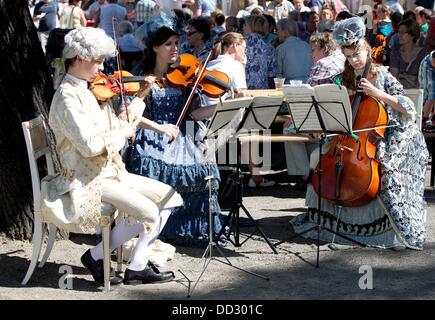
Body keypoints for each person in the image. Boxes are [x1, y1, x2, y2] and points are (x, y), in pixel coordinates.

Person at [43, 27, 183, 285]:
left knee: (171, 198)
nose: (102, 65)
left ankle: (129, 264)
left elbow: (118, 124)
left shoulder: (87, 90)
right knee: (150, 212)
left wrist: (139, 98)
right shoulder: (67, 97)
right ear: (80, 58)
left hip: (109, 172)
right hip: (84, 179)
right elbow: (90, 146)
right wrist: (123, 133)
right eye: (97, 60)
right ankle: (104, 258)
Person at [292, 17, 429, 250]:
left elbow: (408, 107)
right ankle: (329, 222)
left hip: (392, 132)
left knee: (388, 168)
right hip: (353, 134)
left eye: (356, 54)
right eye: (348, 56)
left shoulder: (383, 75)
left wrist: (378, 93)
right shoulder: (344, 78)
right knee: (324, 158)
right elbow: (336, 112)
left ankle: (394, 227)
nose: (353, 61)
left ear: (366, 48)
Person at [125, 25, 223, 247]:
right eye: (169, 44)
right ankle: (151, 228)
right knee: (153, 163)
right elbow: (132, 116)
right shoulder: (143, 76)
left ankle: (188, 230)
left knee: (200, 165)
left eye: (177, 43)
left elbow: (195, 113)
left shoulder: (184, 76)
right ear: (155, 47)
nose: (175, 48)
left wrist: (221, 106)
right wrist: (160, 127)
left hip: (183, 134)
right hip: (152, 133)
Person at [390, 18, 429, 88]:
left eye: (403, 32)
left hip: (418, 93)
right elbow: (393, 78)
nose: (399, 35)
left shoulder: (423, 54)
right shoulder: (395, 52)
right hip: (399, 92)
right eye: (398, 32)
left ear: (412, 34)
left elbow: (425, 79)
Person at [419, 50, 435, 131]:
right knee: (431, 94)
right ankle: (425, 120)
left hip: (432, 63)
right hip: (428, 67)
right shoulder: (428, 62)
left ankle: (433, 120)